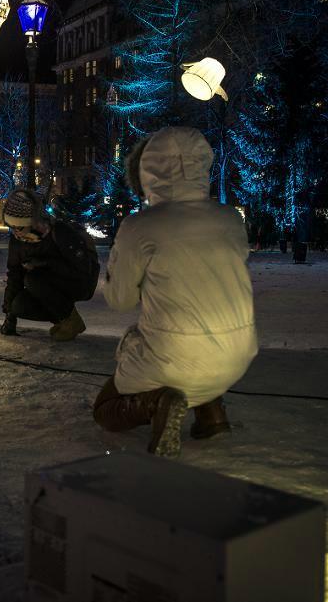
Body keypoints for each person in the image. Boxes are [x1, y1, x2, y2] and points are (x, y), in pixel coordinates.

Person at [93, 127, 258, 458]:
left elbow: (119, 299)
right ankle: (212, 416)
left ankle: (158, 403)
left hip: (173, 359)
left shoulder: (141, 226)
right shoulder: (230, 218)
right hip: (237, 358)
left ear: (147, 173)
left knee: (105, 408)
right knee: (197, 333)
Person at [0, 188, 100, 342]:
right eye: (11, 227)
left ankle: (70, 321)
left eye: (19, 227)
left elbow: (82, 270)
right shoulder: (18, 241)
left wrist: (44, 264)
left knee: (33, 279)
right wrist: (10, 316)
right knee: (19, 305)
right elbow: (15, 274)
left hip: (79, 283)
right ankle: (62, 320)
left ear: (32, 221)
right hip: (47, 286)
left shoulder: (59, 232)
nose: (16, 232)